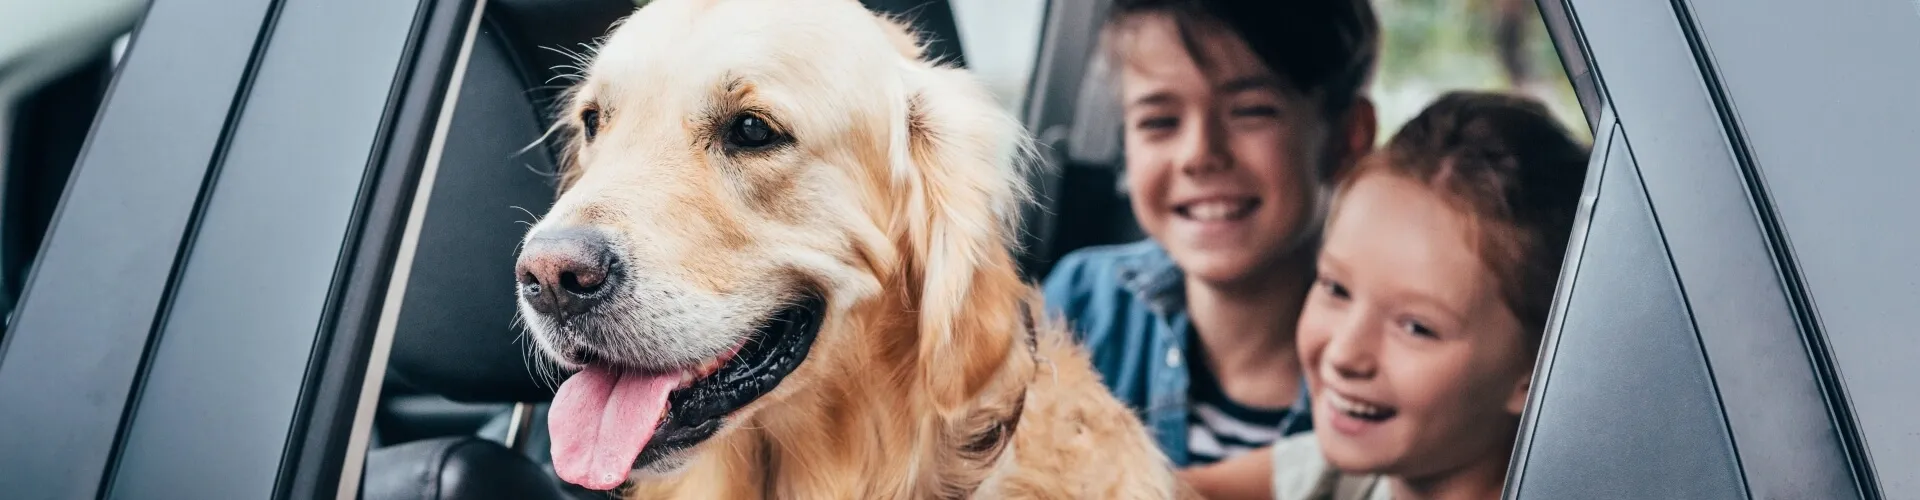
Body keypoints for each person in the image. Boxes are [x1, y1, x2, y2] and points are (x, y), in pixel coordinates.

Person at [1040, 0, 1380, 469]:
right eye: (1158, 121)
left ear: (1346, 138)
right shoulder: (1080, 305)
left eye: (1252, 111)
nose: (1199, 155)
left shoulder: (1391, 372)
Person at [1218, 90, 1586, 500]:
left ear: (1538, 373)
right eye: (1336, 289)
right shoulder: (1333, 474)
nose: (1343, 354)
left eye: (1416, 327)